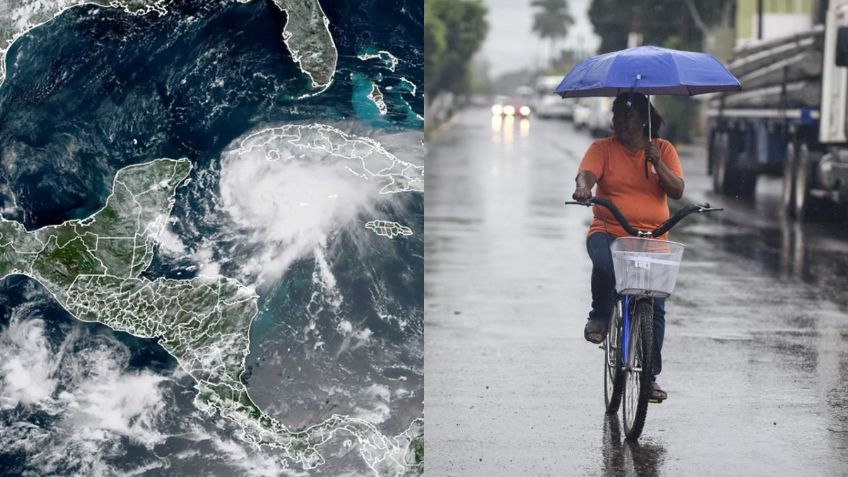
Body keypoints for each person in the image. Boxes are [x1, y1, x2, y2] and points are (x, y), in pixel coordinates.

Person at [571, 92, 684, 402]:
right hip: (609, 231)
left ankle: (649, 378)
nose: (620, 122)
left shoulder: (663, 149)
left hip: (652, 239)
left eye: (628, 116)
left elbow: (677, 190)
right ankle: (600, 314)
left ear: (645, 119)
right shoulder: (602, 148)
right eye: (617, 115)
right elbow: (588, 173)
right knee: (605, 266)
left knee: (655, 306)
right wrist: (584, 187)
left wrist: (658, 164)